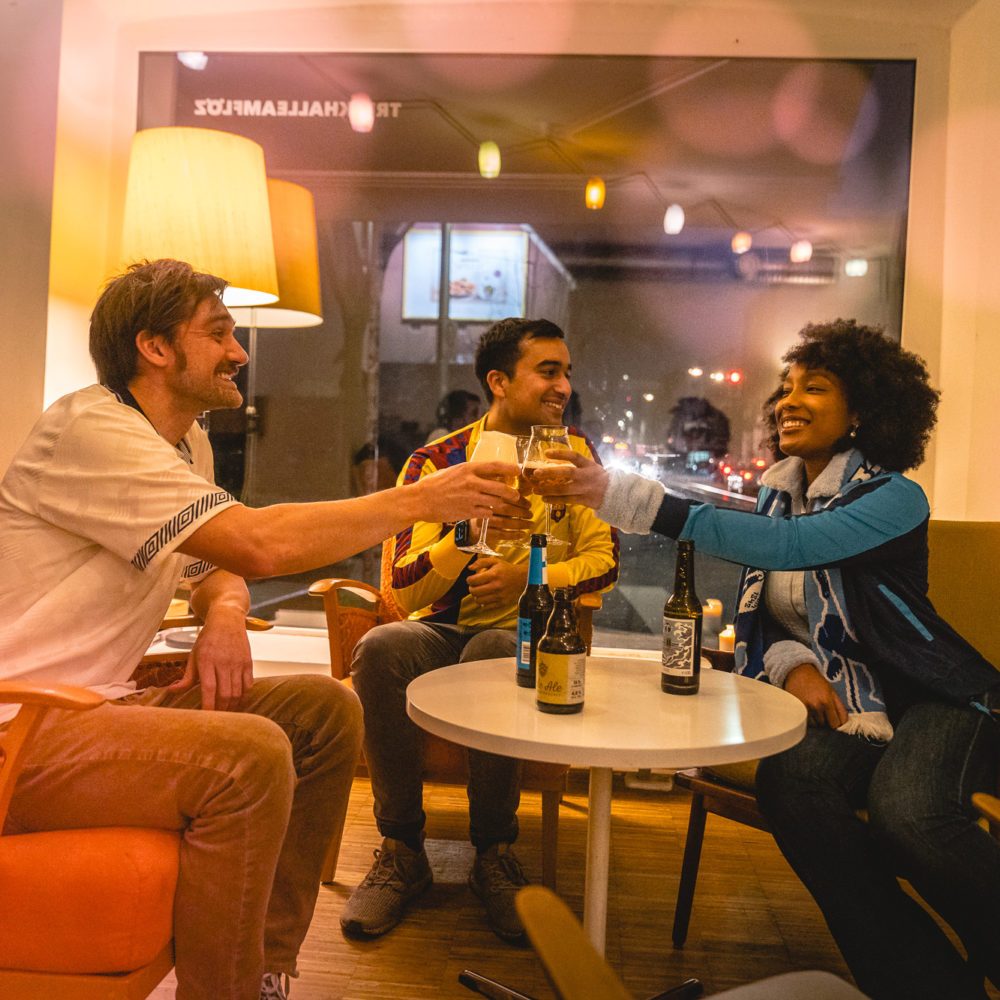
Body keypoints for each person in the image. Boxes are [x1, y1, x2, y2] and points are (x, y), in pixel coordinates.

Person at [0, 259, 523, 1000]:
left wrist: (222, 612)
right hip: (22, 729)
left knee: (325, 710)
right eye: (218, 334)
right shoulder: (92, 429)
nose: (240, 352)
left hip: (98, 711)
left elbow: (213, 563)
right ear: (154, 347)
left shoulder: (181, 446)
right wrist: (418, 500)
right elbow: (255, 542)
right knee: (248, 756)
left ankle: (266, 971)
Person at [535, 319, 1000, 1000]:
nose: (788, 400)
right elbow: (762, 614)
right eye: (784, 388)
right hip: (853, 701)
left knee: (907, 812)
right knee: (791, 784)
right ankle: (925, 984)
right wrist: (792, 664)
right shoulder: (777, 495)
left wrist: (622, 495)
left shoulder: (895, 499)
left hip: (936, 697)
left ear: (864, 410)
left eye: (814, 386)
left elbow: (787, 550)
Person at [341, 317, 619, 943]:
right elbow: (404, 587)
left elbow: (608, 561)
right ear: (499, 380)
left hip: (525, 637)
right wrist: (462, 543)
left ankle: (493, 852)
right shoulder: (435, 463)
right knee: (381, 645)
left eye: (566, 372)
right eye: (548, 371)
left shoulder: (572, 461)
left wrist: (533, 578)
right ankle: (402, 850)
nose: (563, 385)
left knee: (498, 649)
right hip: (439, 633)